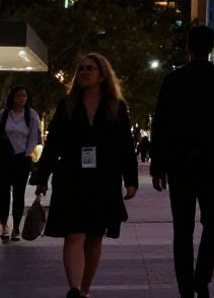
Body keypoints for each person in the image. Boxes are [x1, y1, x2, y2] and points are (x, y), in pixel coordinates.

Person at [151, 25, 214, 298]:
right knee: (213, 224)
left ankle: (185, 285)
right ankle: (201, 277)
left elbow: (161, 125)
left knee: (182, 229)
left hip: (180, 164)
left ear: (188, 48)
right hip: (213, 165)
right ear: (212, 48)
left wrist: (158, 166)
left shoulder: (173, 80)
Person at [35, 53, 139, 298]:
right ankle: (74, 289)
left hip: (104, 178)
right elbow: (54, 143)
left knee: (94, 237)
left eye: (89, 68)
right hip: (72, 176)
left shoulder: (116, 107)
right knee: (74, 232)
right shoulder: (67, 105)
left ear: (102, 75)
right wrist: (41, 176)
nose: (83, 72)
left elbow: (125, 145)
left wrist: (131, 179)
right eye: (80, 68)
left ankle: (84, 289)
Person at [0, 86, 42, 243]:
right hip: (3, 159)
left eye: (24, 96)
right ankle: (4, 225)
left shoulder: (31, 115)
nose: (22, 98)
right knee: (3, 192)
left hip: (21, 158)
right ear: (12, 97)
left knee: (18, 193)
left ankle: (16, 228)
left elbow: (34, 136)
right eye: (19, 95)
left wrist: (27, 153)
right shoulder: (3, 114)